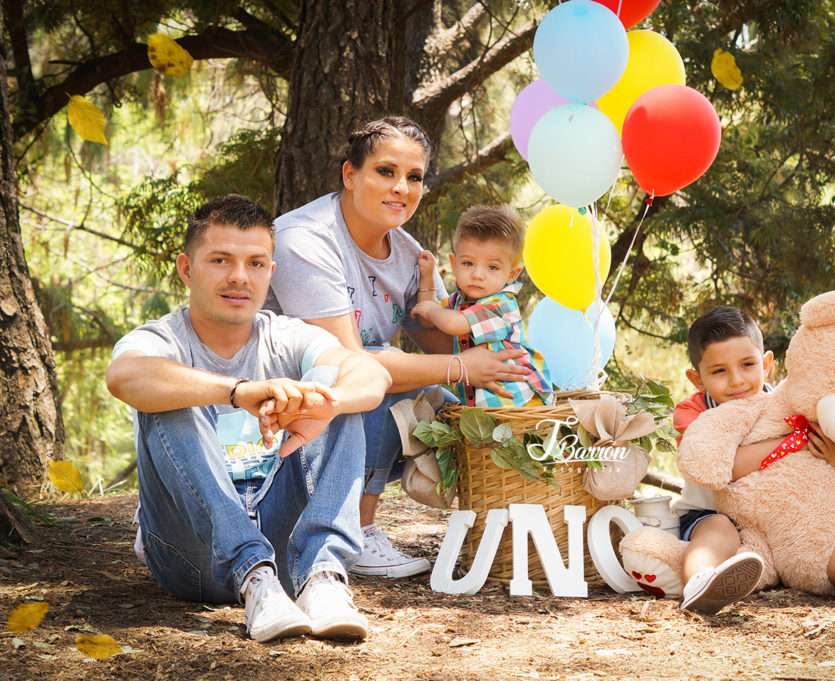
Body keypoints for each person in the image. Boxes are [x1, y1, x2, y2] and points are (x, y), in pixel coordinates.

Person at [106, 195, 391, 643]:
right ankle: (252, 574)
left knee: (331, 393)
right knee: (165, 399)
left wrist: (327, 404)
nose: (240, 277)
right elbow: (124, 377)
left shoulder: (286, 334)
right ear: (186, 268)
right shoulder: (159, 339)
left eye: (256, 263)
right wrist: (237, 392)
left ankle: (322, 580)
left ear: (270, 272)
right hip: (191, 555)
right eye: (220, 260)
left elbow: (370, 373)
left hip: (286, 549)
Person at [265, 116, 534, 578]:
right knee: (371, 377)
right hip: (280, 422)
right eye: (385, 172)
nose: (401, 188)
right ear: (350, 175)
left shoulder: (409, 255)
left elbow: (444, 343)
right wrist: (459, 367)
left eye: (414, 177)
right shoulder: (305, 241)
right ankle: (357, 531)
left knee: (463, 411)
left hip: (341, 415)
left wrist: (500, 358)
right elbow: (349, 363)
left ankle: (503, 525)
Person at [672, 305, 835, 613]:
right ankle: (701, 584)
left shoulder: (785, 406)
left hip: (776, 517)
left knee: (822, 540)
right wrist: (793, 440)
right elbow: (726, 467)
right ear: (697, 379)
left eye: (747, 364)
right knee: (718, 530)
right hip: (711, 511)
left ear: (767, 363)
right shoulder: (692, 412)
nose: (736, 381)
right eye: (719, 371)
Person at [411, 204, 554, 407]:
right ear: (454, 263)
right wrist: (427, 276)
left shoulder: (500, 304)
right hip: (489, 408)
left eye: (492, 267)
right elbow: (426, 317)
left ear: (512, 274)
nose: (477, 274)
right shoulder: (460, 301)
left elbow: (453, 324)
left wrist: (431, 310)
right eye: (468, 263)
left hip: (518, 402)